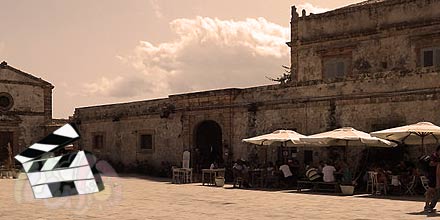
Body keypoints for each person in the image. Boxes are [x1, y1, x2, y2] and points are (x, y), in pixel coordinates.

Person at [425, 146, 440, 213]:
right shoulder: (433, 156)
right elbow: (431, 164)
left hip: (436, 176)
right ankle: (427, 206)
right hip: (433, 177)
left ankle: (429, 206)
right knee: (430, 192)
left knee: (435, 193)